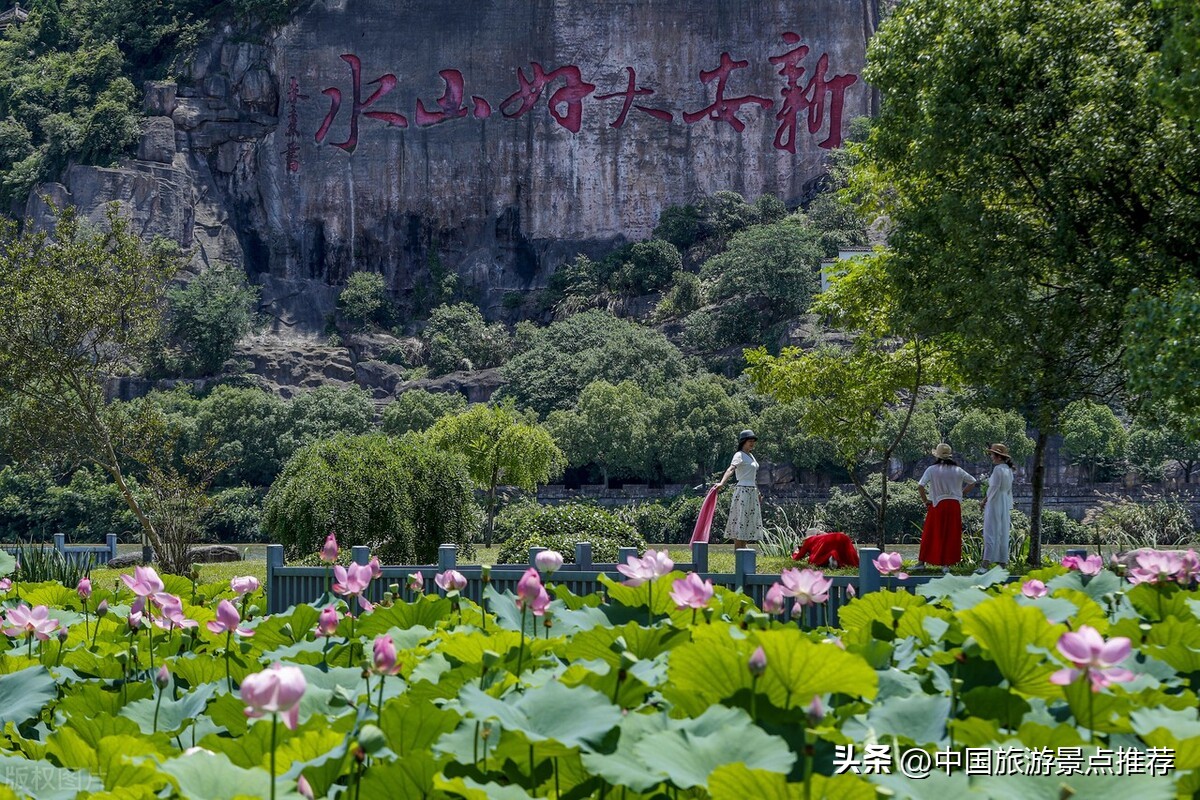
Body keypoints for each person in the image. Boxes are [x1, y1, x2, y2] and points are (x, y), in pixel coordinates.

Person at [916, 443, 977, 572]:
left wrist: (925, 500)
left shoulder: (932, 469)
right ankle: (946, 565)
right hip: (954, 504)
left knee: (930, 532)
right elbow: (973, 481)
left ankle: (921, 562)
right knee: (951, 534)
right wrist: (962, 493)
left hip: (937, 503)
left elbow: (920, 486)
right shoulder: (957, 470)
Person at [716, 429, 763, 549]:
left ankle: (743, 551)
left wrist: (757, 492)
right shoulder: (739, 455)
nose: (752, 443)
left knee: (748, 522)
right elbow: (731, 469)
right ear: (743, 442)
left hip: (751, 491)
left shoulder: (750, 455)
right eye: (749, 441)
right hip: (743, 491)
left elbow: (752, 476)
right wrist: (722, 483)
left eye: (753, 441)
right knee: (740, 521)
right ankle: (739, 552)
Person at [980, 442, 1015, 571]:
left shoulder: (998, 469)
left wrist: (984, 501)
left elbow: (993, 488)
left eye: (992, 455)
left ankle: (985, 564)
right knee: (1003, 531)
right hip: (1004, 501)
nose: (991, 457)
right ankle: (1002, 563)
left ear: (998, 457)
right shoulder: (1008, 470)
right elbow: (1008, 489)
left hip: (995, 501)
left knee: (990, 531)